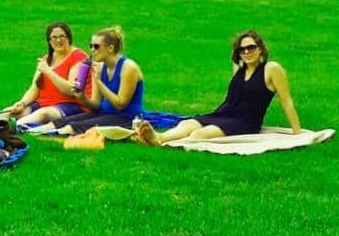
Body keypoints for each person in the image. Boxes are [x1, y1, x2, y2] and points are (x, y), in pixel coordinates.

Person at [136, 30, 300, 146]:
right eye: (242, 49)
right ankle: (159, 138)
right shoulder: (239, 68)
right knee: (188, 124)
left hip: (245, 122)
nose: (247, 51)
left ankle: (165, 145)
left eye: (251, 47)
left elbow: (286, 101)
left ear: (260, 48)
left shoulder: (271, 69)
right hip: (223, 113)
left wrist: (297, 133)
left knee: (200, 135)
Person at [51, 26, 144, 134]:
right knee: (60, 122)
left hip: (126, 117)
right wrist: (82, 97)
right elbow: (95, 105)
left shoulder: (128, 68)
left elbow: (120, 104)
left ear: (110, 48)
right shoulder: (100, 66)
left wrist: (99, 82)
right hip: (103, 113)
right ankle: (32, 132)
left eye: (96, 46)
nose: (92, 50)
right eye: (91, 46)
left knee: (73, 127)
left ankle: (50, 137)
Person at [7, 22, 90, 130]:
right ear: (49, 41)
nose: (58, 40)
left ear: (69, 38)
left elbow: (71, 90)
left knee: (43, 114)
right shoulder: (46, 59)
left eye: (62, 37)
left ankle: (13, 128)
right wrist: (22, 103)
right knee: (9, 112)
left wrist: (49, 72)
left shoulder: (78, 57)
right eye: (54, 37)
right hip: (44, 103)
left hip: (71, 106)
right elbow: (34, 90)